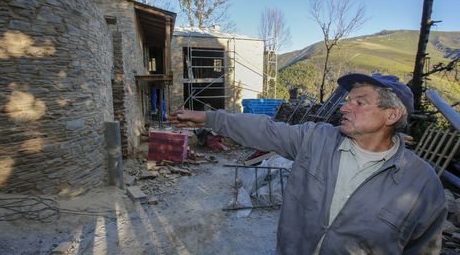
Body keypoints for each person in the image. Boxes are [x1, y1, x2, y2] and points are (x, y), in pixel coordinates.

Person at [168, 73, 447, 255]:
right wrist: (209, 119)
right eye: (348, 100)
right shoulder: (315, 139)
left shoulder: (422, 185)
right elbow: (265, 130)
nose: (345, 107)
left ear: (391, 115)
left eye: (359, 102)